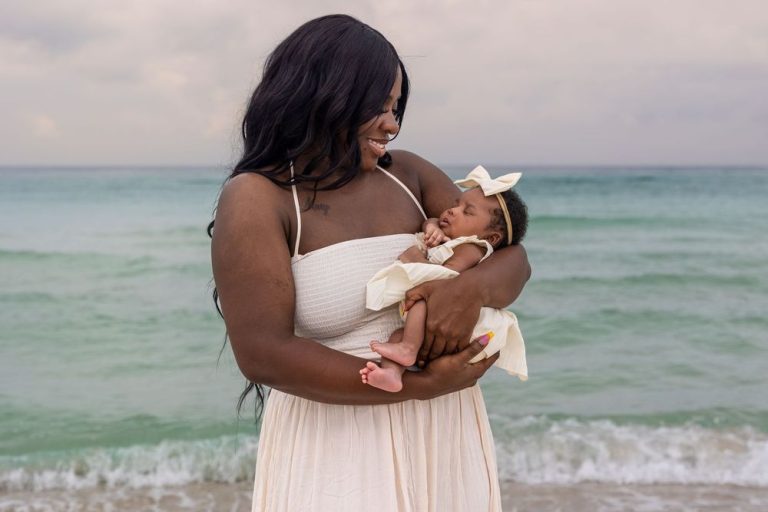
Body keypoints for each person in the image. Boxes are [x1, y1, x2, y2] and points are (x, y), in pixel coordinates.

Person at [210, 14, 531, 511]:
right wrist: (419, 386)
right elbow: (262, 353)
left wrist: (468, 292)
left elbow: (512, 255)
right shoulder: (259, 198)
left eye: (395, 107)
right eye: (377, 107)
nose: (393, 124)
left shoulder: (410, 174)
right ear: (323, 96)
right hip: (335, 442)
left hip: (442, 429)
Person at [360, 166, 529, 392]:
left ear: (491, 237)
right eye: (456, 204)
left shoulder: (473, 248)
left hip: (460, 320)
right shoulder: (452, 238)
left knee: (421, 301)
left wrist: (416, 258)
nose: (452, 211)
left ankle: (408, 350)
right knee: (398, 335)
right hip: (435, 320)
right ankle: (392, 373)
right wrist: (431, 226)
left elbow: (445, 279)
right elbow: (430, 219)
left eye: (466, 212)